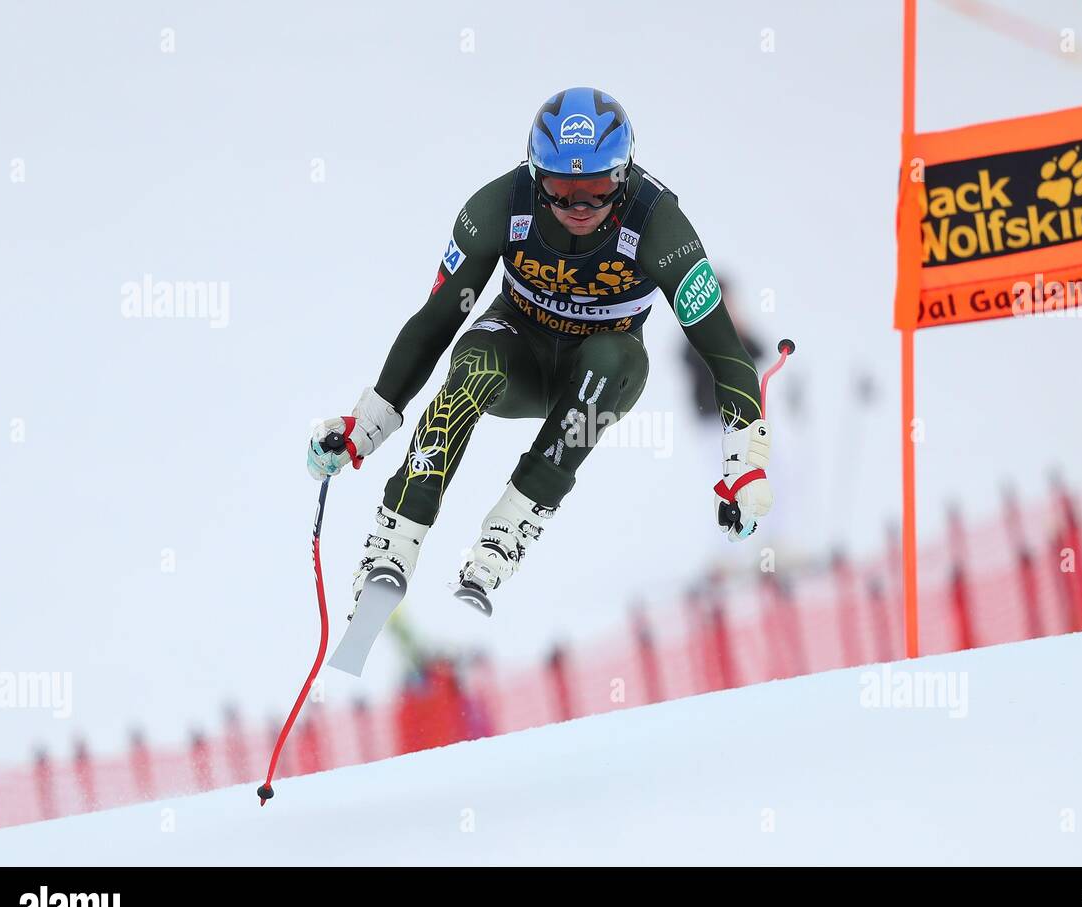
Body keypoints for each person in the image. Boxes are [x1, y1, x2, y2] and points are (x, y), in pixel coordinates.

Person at [307, 87, 775, 615]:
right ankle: (393, 543)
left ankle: (507, 532)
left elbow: (724, 352)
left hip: (599, 372)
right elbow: (438, 318)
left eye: (597, 189)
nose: (579, 207)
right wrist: (366, 425)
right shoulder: (501, 206)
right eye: (559, 188)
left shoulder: (660, 224)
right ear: (535, 176)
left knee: (616, 358)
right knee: (475, 361)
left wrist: (745, 466)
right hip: (517, 356)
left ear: (624, 177)